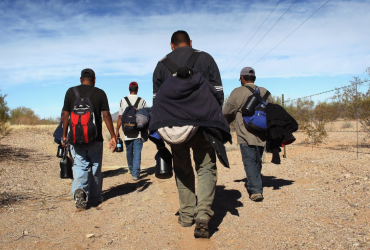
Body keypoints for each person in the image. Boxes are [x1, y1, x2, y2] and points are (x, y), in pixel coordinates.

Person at [151, 30, 228, 238]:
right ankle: (203, 215)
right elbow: (218, 94)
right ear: (191, 43)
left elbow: (157, 101)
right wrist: (211, 118)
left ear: (171, 45)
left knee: (182, 169)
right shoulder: (206, 58)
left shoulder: (161, 65)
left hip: (174, 128)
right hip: (203, 124)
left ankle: (186, 215)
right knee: (205, 168)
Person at [61, 68, 116, 210]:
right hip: (95, 138)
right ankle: (95, 197)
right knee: (95, 167)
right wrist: (113, 135)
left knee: (80, 165)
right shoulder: (100, 93)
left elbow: (65, 114)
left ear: (80, 79)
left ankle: (80, 190)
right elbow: (106, 115)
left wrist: (64, 134)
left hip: (75, 138)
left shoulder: (70, 92)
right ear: (95, 79)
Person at [223, 67, 273, 202]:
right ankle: (256, 181)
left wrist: (224, 123)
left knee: (249, 160)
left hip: (246, 133)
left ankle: (256, 190)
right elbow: (272, 110)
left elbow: (227, 112)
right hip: (262, 133)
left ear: (242, 78)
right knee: (257, 158)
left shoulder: (237, 92)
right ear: (254, 78)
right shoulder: (265, 92)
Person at [115, 81, 147, 180]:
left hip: (126, 132)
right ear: (137, 89)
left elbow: (120, 116)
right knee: (137, 152)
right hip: (138, 132)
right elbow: (145, 116)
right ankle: (135, 174)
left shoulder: (123, 100)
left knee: (129, 151)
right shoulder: (142, 101)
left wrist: (117, 131)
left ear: (129, 89)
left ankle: (131, 169)